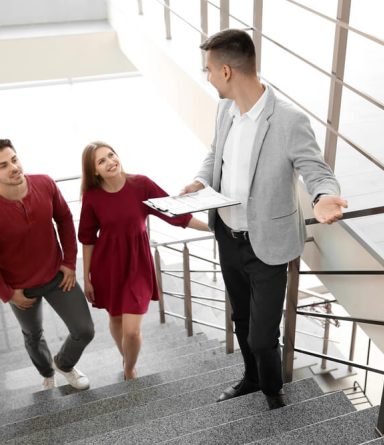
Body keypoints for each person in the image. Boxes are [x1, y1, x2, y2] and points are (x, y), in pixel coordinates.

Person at [182, 29, 348, 409]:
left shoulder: (288, 120)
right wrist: (200, 181)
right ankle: (252, 379)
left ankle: (273, 390)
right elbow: (215, 154)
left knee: (261, 336)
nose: (207, 77)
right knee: (241, 319)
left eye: (208, 70)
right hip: (227, 235)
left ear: (226, 71)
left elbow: (317, 171)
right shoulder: (224, 111)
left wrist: (323, 197)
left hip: (268, 246)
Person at [78, 142, 208, 380]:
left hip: (138, 264)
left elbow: (174, 213)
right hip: (108, 265)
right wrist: (86, 277)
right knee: (115, 317)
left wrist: (212, 228)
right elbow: (87, 239)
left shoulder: (141, 185)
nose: (110, 162)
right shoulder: (92, 197)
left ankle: (129, 368)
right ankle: (126, 357)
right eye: (101, 161)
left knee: (132, 331)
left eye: (111, 155)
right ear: (94, 170)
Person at [0, 139, 94, 391]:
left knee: (84, 330)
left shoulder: (44, 183)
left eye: (14, 160)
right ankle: (46, 372)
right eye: (2, 166)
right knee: (33, 336)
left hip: (56, 276)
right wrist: (8, 293)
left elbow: (64, 219)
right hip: (20, 288)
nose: (13, 168)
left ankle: (64, 363)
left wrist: (69, 263)